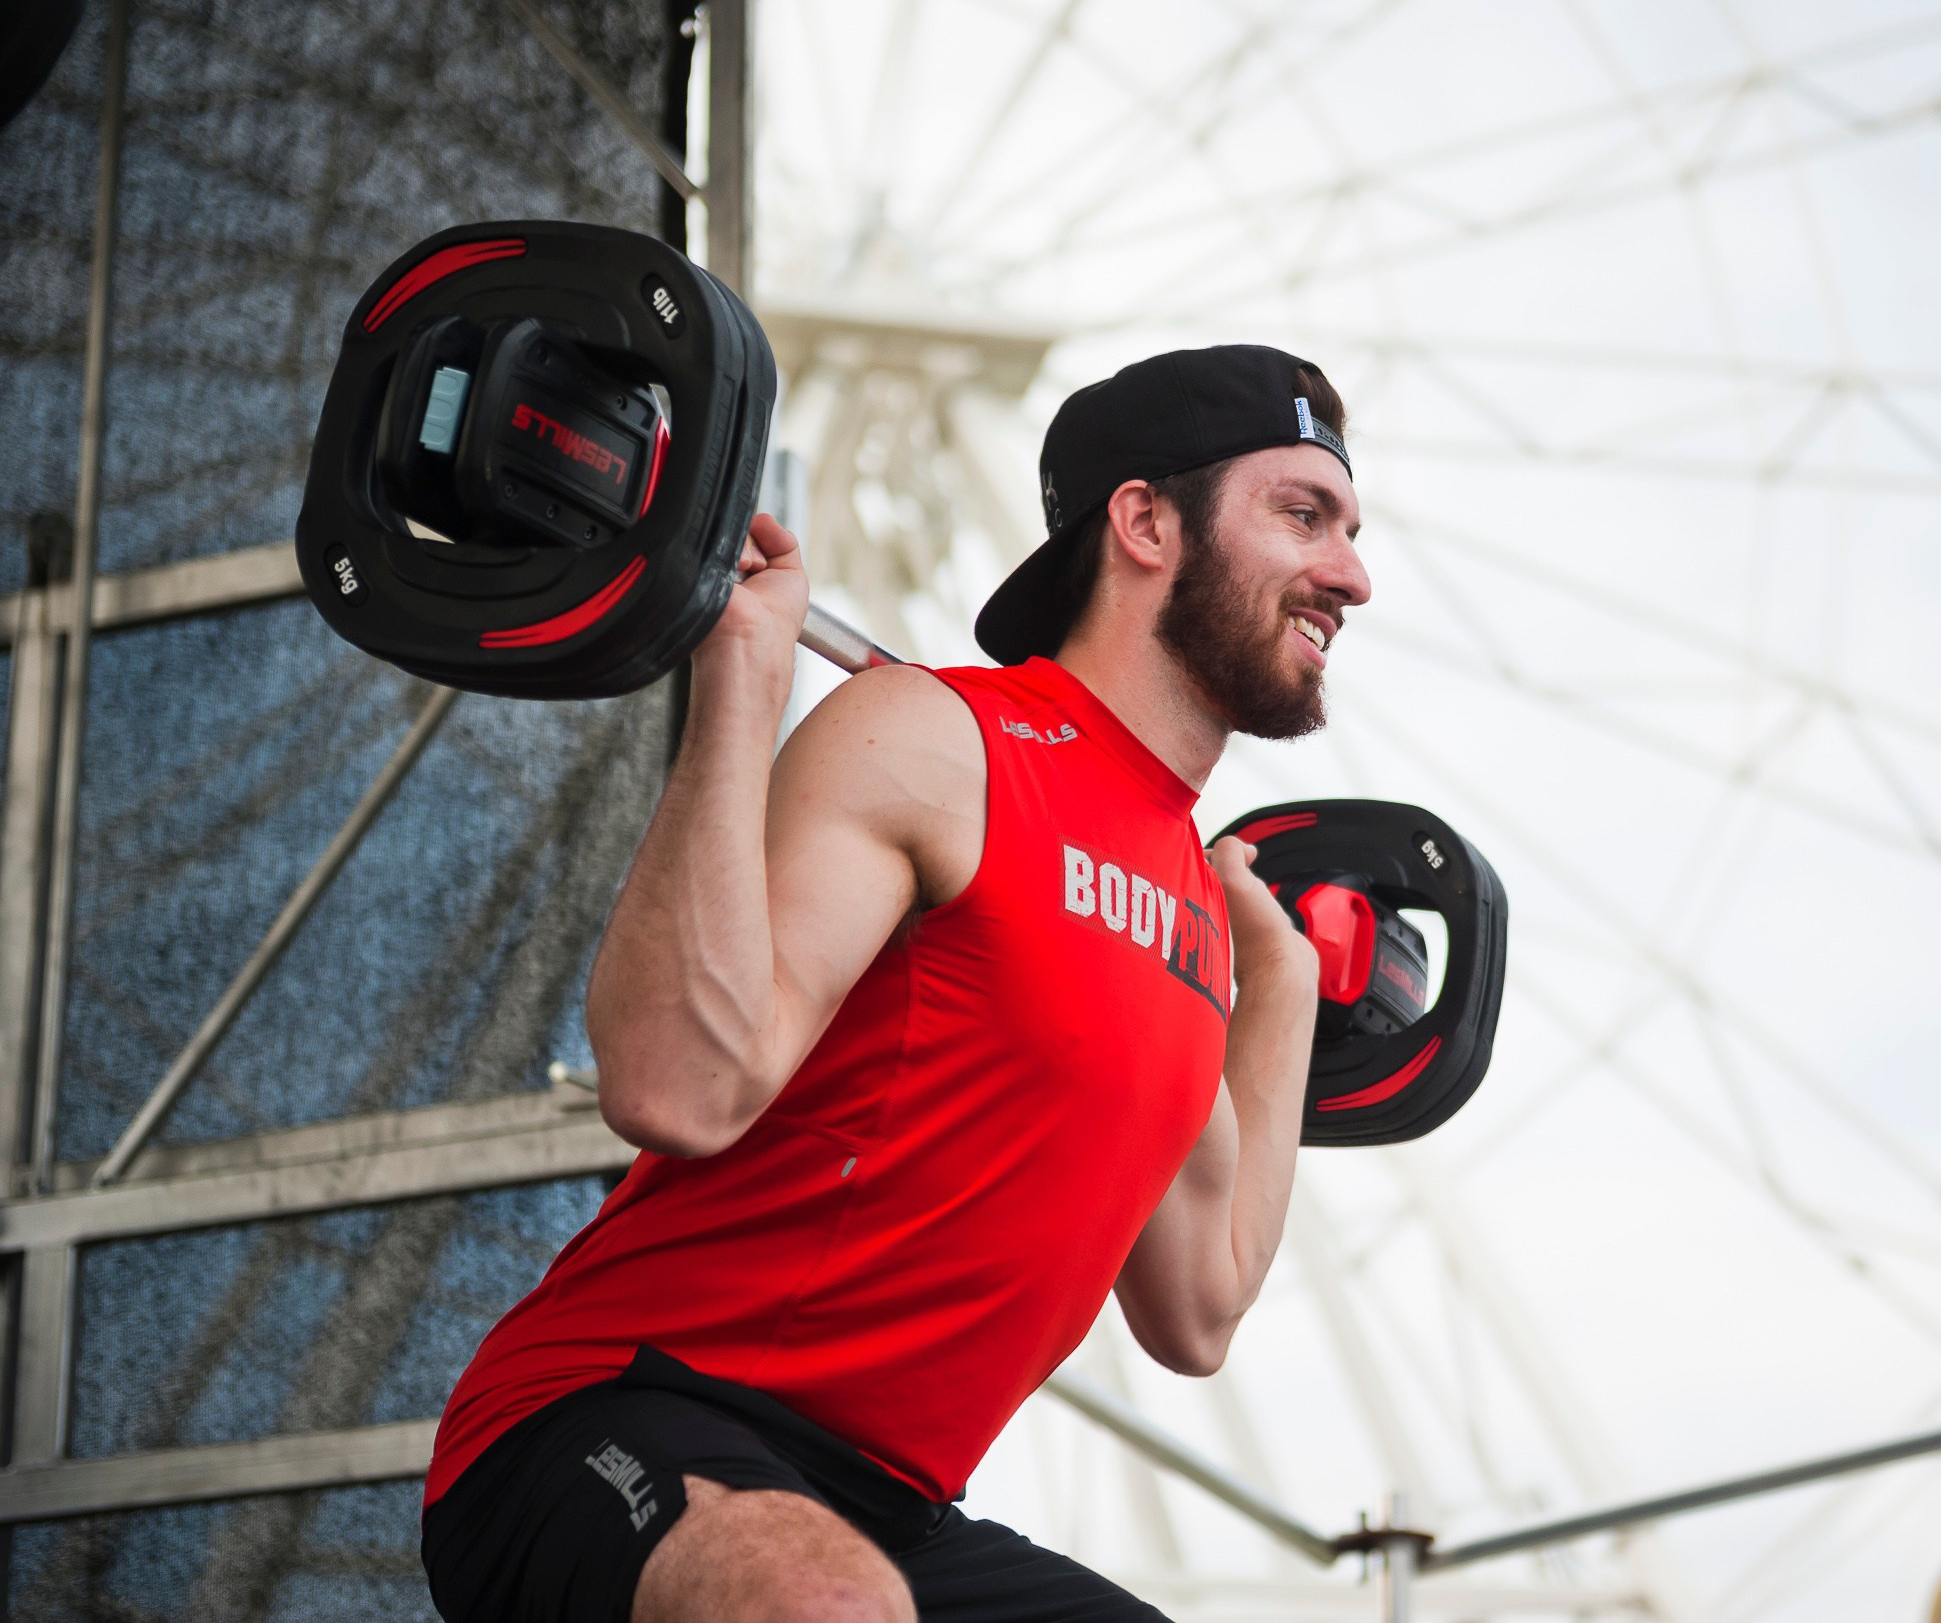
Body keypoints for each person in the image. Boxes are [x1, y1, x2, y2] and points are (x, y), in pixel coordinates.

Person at [420, 345, 1370, 1623]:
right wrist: (743, 689)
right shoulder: (937, 740)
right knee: (829, 1606)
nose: (1351, 575)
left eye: (1351, 529)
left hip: (890, 1511)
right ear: (1144, 521)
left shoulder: (1196, 925)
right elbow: (671, 1082)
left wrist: (1283, 987)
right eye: (1302, 514)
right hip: (615, 1414)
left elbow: (1198, 1306)